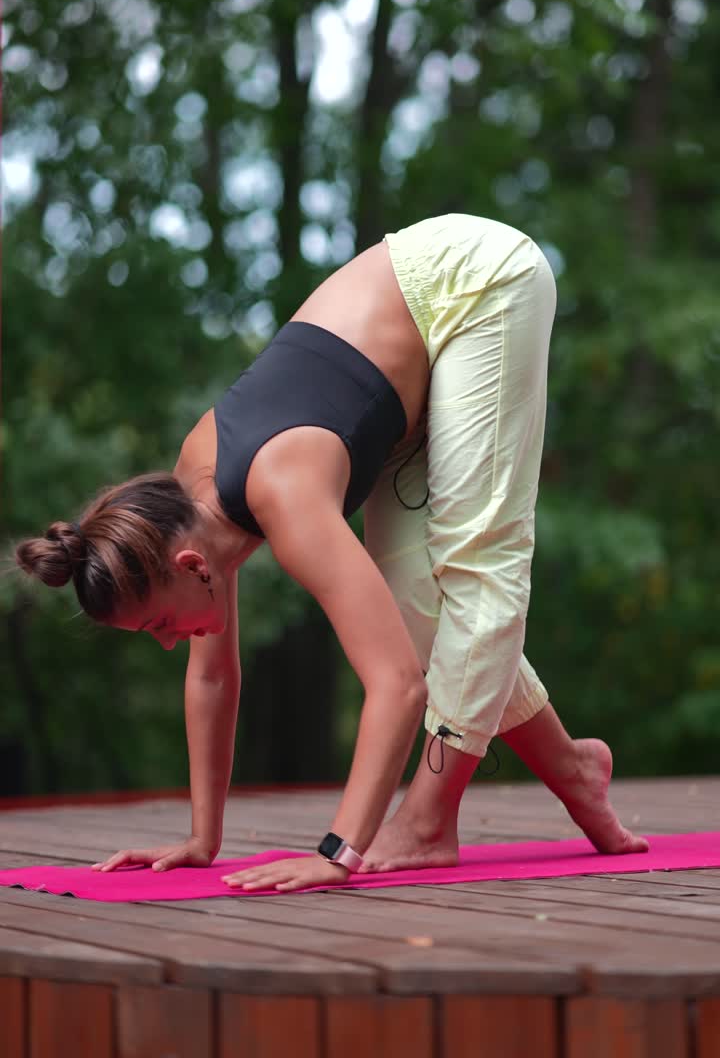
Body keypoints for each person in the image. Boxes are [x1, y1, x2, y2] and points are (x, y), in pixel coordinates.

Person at [16, 213, 647, 893]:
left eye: (158, 626)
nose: (170, 645)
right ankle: (574, 769)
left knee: (473, 566)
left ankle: (430, 822)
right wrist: (203, 840)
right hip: (405, 375)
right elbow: (211, 680)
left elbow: (398, 688)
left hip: (476, 281)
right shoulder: (186, 511)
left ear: (190, 569)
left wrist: (336, 851)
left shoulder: (282, 495)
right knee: (410, 601)